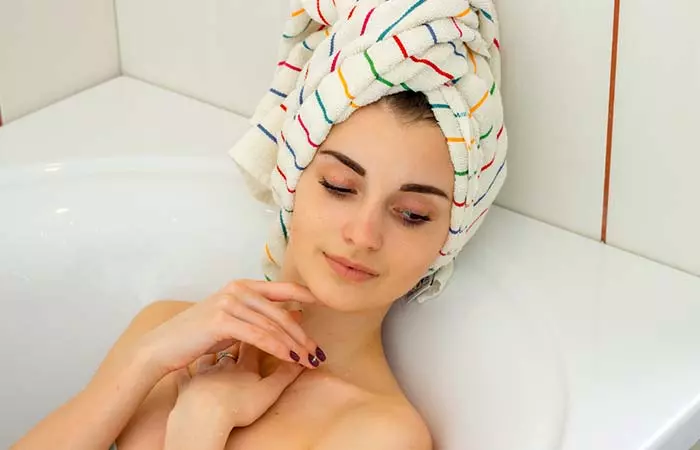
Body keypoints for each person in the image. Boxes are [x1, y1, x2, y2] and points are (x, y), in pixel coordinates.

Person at [12, 0, 506, 449]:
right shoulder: (168, 332)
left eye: (412, 215)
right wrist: (146, 360)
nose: (363, 235)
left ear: (448, 238)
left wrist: (197, 431)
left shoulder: (378, 433)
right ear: (291, 179)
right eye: (338, 186)